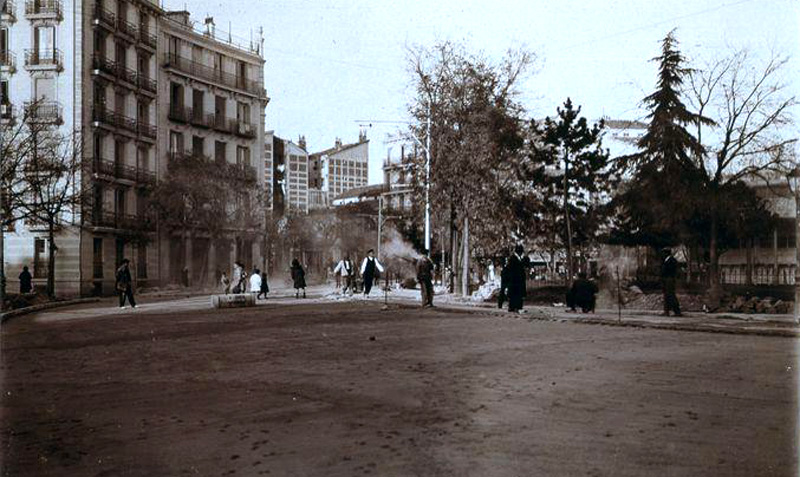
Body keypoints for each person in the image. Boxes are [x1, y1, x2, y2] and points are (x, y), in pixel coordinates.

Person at [505, 245, 527, 313]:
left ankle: (517, 306)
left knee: (518, 294)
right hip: (514, 280)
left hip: (518, 280)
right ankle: (513, 307)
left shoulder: (519, 258)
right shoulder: (513, 259)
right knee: (515, 294)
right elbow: (511, 269)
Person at [661, 247, 682, 316]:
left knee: (670, 295)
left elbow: (670, 270)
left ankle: (677, 311)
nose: (662, 254)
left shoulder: (672, 260)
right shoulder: (666, 260)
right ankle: (666, 311)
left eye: (664, 253)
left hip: (669, 279)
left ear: (667, 253)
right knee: (667, 295)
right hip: (666, 279)